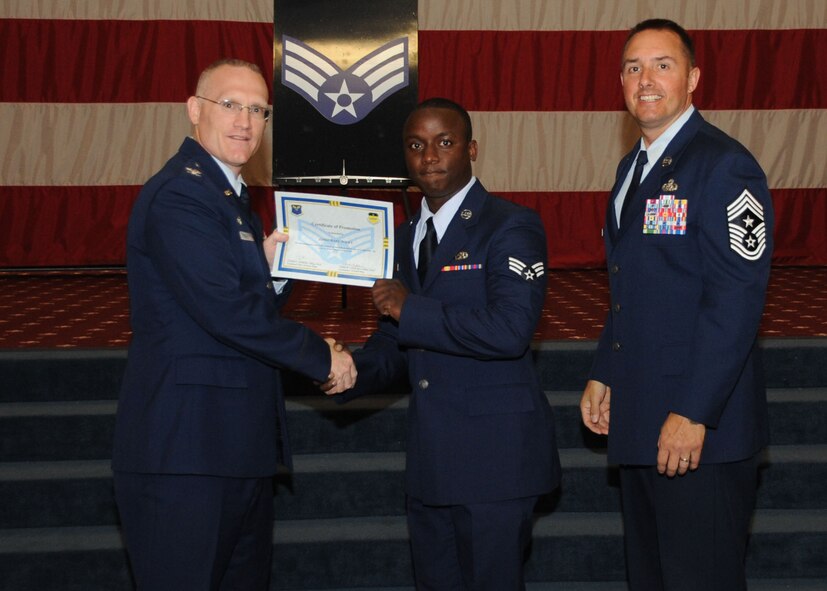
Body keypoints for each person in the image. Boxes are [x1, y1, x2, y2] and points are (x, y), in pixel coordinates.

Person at [112, 58, 356, 590]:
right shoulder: (182, 193)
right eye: (230, 105)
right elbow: (226, 312)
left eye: (257, 109)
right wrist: (322, 357)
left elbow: (226, 303)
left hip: (232, 450)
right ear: (194, 111)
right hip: (186, 454)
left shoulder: (230, 197)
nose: (245, 120)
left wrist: (269, 275)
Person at [329, 98, 561, 590]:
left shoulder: (510, 225)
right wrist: (342, 368)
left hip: (495, 462)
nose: (429, 156)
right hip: (432, 461)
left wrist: (408, 307)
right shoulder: (406, 234)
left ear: (471, 149)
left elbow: (509, 331)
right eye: (416, 145)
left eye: (444, 142)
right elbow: (398, 342)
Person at [580, 19, 774, 591]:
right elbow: (633, 288)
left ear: (692, 78)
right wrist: (604, 371)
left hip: (699, 432)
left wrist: (694, 413)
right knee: (654, 578)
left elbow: (736, 298)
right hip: (641, 419)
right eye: (633, 67)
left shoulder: (723, 165)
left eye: (662, 65)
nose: (646, 79)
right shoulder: (632, 168)